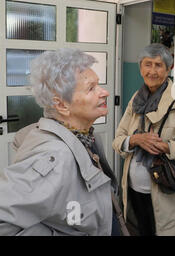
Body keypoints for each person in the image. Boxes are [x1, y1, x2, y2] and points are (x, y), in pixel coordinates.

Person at [0, 48, 119, 236]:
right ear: (62, 105)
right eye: (91, 88)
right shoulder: (55, 155)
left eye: (99, 84)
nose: (103, 92)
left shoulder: (84, 136)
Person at [113, 43, 175, 236]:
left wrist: (166, 146)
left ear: (168, 69)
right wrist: (135, 140)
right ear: (140, 68)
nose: (152, 71)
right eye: (148, 64)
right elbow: (118, 139)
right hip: (133, 190)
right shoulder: (136, 99)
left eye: (158, 65)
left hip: (164, 197)